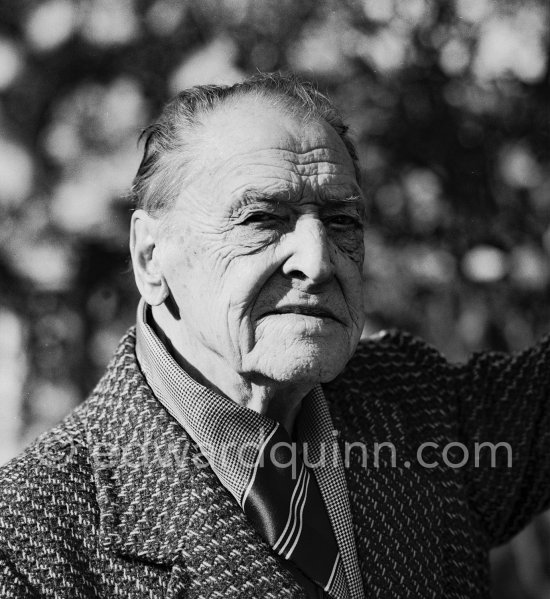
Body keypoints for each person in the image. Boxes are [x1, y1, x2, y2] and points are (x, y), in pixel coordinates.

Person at [1, 72, 550, 599]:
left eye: (341, 222)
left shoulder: (420, 403)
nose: (317, 262)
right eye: (263, 218)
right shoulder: (28, 540)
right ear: (150, 256)